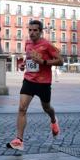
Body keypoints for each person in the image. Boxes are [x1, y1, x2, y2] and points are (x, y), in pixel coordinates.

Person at [7, 20, 63, 152]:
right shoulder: (27, 43)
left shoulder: (47, 45)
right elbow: (28, 60)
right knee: (22, 108)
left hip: (43, 83)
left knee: (47, 108)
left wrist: (43, 61)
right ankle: (19, 140)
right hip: (29, 80)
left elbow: (60, 61)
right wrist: (23, 65)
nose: (32, 33)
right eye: (30, 30)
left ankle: (54, 120)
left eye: (35, 30)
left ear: (40, 31)